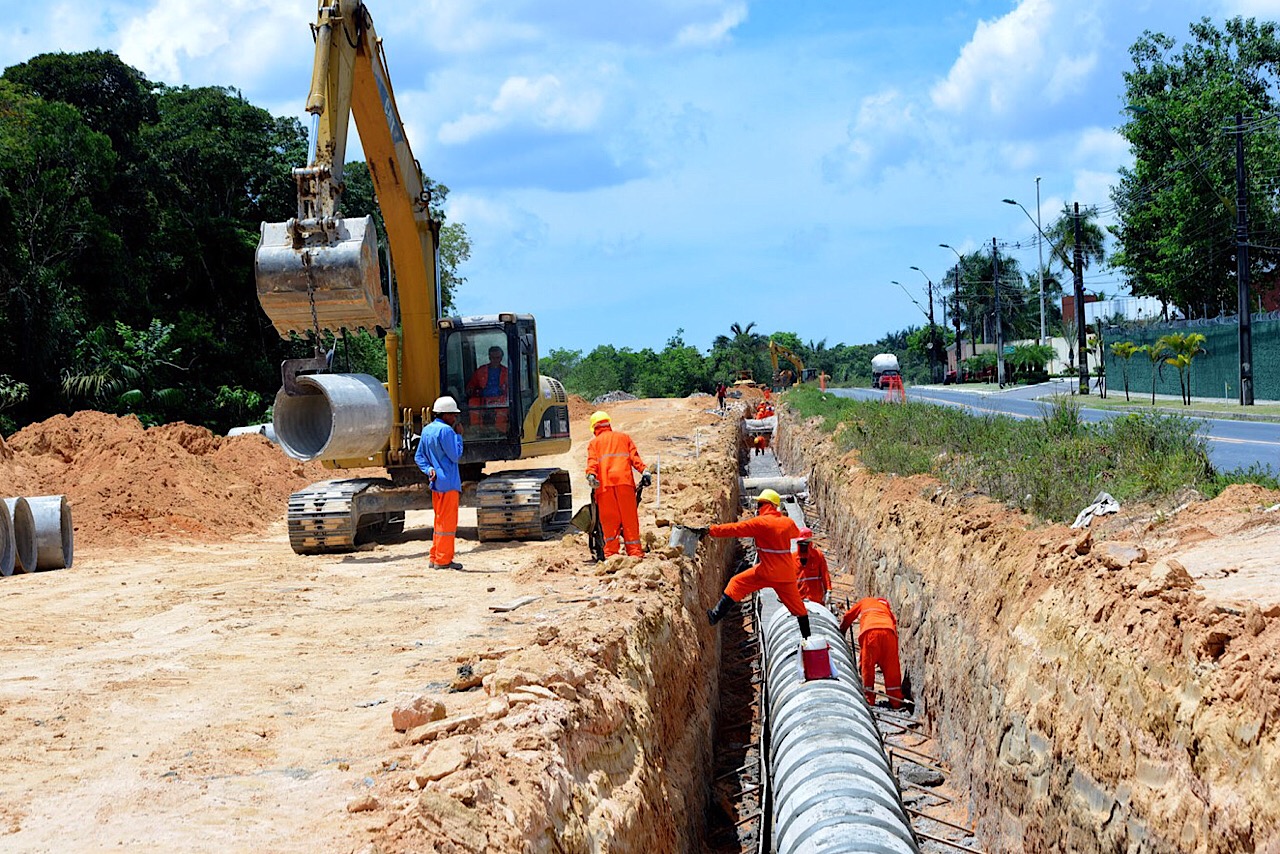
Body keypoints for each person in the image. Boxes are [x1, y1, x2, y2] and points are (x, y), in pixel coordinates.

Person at [703, 489, 811, 639]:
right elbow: (795, 533)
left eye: (759, 505)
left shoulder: (759, 523)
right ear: (775, 506)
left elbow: (735, 529)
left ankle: (715, 615)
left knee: (736, 582)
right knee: (800, 609)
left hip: (765, 572)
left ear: (763, 505)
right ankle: (808, 639)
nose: (758, 508)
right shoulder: (788, 523)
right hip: (786, 575)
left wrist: (711, 530)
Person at [585, 410, 650, 558]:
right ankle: (635, 553)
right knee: (629, 519)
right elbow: (635, 458)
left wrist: (591, 475)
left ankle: (612, 556)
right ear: (608, 423)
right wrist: (644, 471)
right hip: (625, 483)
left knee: (609, 522)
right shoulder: (624, 438)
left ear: (594, 428)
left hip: (605, 487)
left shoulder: (594, 443)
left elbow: (592, 463)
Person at [415, 396, 464, 570]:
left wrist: (428, 469)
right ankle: (443, 560)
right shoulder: (447, 432)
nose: (455, 418)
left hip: (436, 484)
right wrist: (458, 436)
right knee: (448, 524)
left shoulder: (427, 430)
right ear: (445, 414)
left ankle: (435, 557)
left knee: (439, 522)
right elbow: (455, 456)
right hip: (449, 483)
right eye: (453, 415)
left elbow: (419, 456)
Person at [839, 596, 904, 708]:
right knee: (891, 667)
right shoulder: (887, 611)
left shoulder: (866, 601)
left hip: (870, 632)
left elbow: (849, 616)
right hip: (889, 633)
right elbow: (894, 626)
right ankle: (896, 701)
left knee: (867, 666)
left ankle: (869, 699)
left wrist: (842, 631)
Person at [465, 346, 509, 430]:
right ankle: (476, 428)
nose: (495, 360)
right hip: (483, 398)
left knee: (504, 405)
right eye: (493, 358)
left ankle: (500, 430)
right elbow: (472, 384)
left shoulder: (506, 372)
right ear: (489, 357)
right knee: (472, 402)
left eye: (497, 358)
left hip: (500, 399)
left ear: (501, 358)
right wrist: (471, 389)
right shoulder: (481, 370)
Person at [794, 527, 831, 606]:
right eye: (800, 544)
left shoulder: (818, 556)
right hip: (798, 600)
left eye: (805, 545)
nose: (802, 548)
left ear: (810, 543)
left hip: (815, 600)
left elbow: (825, 574)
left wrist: (828, 590)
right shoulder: (792, 558)